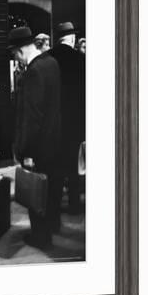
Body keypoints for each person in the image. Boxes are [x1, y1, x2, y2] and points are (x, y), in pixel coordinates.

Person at [8, 26, 62, 248]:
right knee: (50, 190)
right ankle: (51, 226)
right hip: (54, 141)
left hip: (38, 146)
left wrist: (26, 152)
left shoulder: (33, 72)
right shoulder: (52, 63)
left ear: (20, 51)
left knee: (36, 192)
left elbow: (31, 118)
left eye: (14, 55)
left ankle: (41, 237)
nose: (16, 60)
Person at [49, 22, 86, 214]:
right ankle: (73, 203)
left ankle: (53, 208)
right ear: (72, 39)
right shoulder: (81, 60)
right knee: (73, 165)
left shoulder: (48, 58)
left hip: (53, 123)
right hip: (74, 122)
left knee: (54, 167)